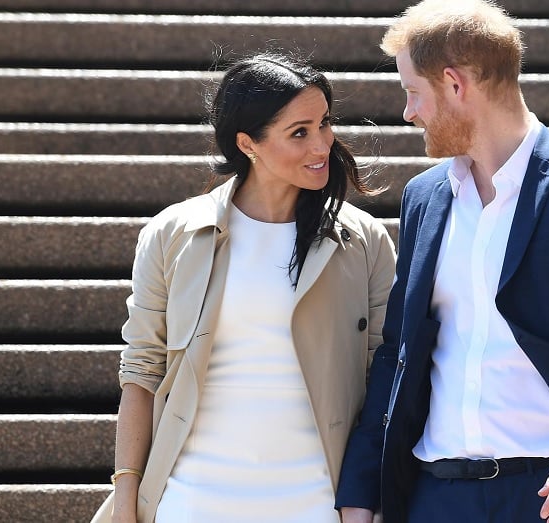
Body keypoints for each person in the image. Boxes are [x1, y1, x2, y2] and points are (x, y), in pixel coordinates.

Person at [336, 1, 549, 522]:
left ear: (455, 85)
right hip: (436, 497)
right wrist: (362, 489)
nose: (408, 112)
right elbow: (398, 351)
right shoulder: (424, 197)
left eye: (413, 92)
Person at [92, 53, 397, 523]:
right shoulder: (174, 233)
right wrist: (127, 498)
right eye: (299, 132)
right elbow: (141, 372)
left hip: (317, 497)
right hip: (192, 496)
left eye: (325, 123)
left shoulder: (363, 241)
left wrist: (366, 497)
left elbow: (386, 378)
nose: (322, 144)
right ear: (248, 144)